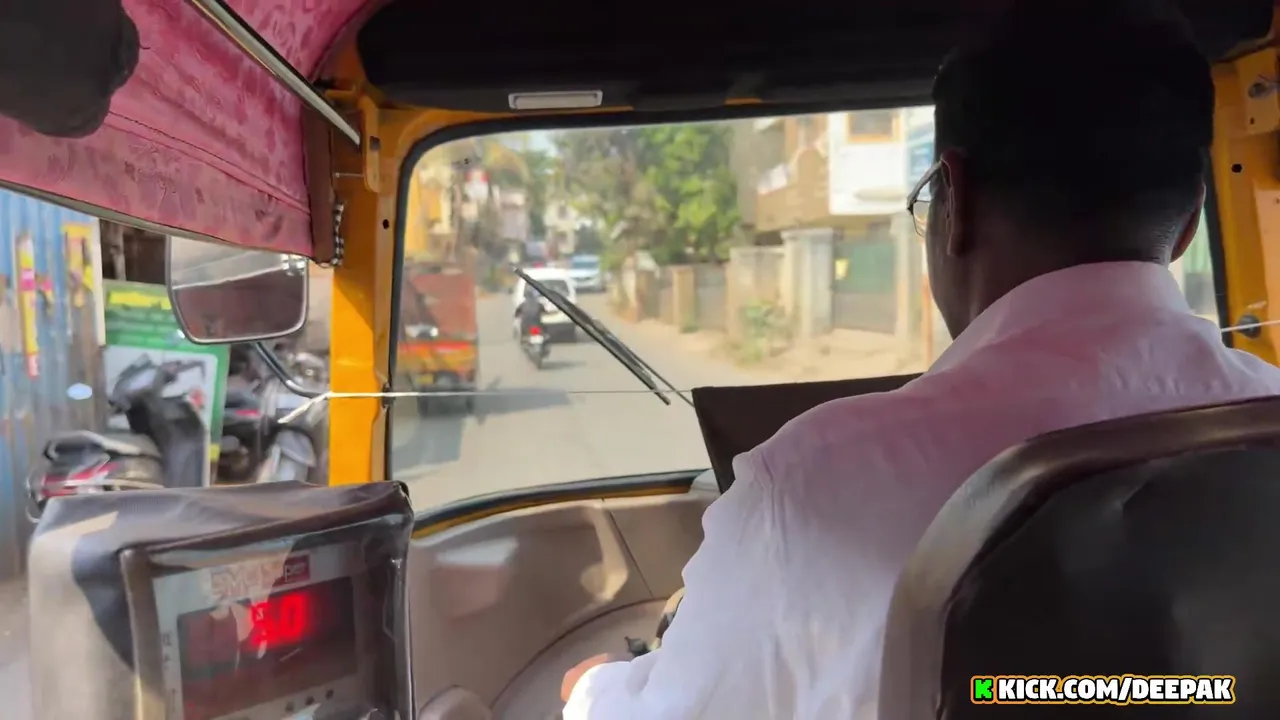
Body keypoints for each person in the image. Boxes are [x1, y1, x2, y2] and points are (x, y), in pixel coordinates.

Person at [560, 1, 1280, 717]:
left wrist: (590, 689)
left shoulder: (813, 485)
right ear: (1189, 224)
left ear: (952, 201)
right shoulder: (1265, 416)